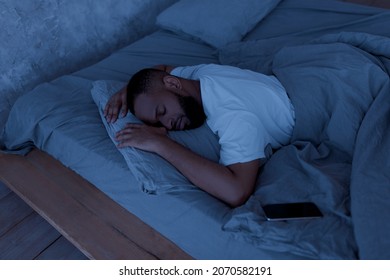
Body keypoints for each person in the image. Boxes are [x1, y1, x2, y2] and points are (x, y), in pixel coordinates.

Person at [104, 64, 295, 207]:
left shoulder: (233, 117)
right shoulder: (194, 77)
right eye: (158, 124)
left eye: (162, 111)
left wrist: (160, 143)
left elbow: (237, 192)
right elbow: (161, 69)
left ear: (173, 83)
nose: (167, 124)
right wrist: (128, 89)